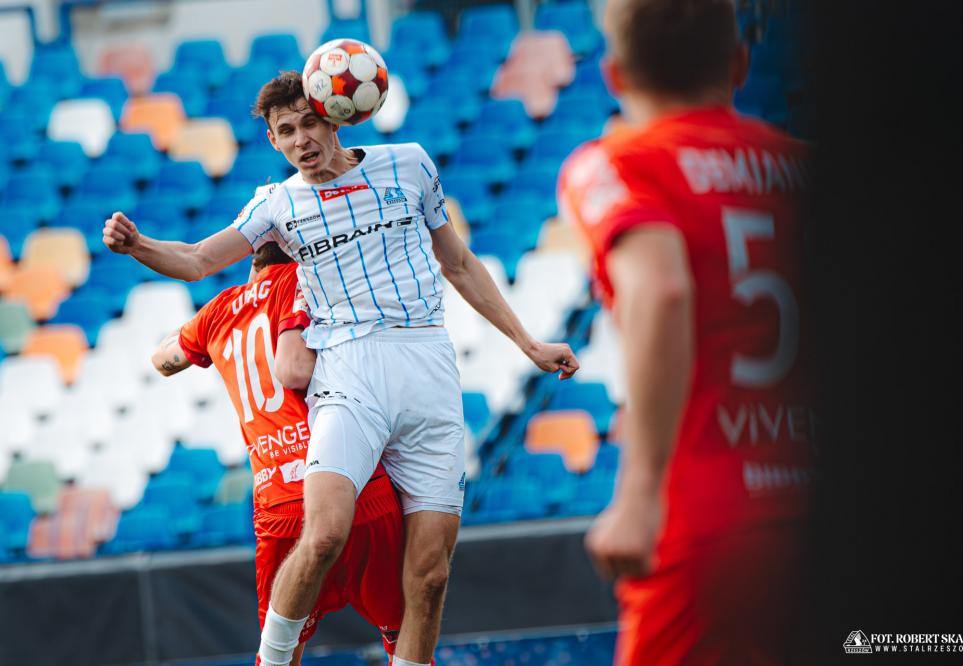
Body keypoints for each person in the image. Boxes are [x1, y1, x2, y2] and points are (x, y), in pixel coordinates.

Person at [105, 71, 580, 666]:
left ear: (334, 117)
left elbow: (457, 263)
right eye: (285, 132)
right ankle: (272, 662)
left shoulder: (408, 164)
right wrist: (139, 246)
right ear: (275, 143)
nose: (300, 139)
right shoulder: (277, 205)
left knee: (429, 579)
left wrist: (528, 343)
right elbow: (200, 259)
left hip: (429, 368)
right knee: (325, 533)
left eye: (308, 123)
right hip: (351, 372)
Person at [558, 0, 814, 663]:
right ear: (739, 62)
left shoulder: (619, 164)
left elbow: (663, 289)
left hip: (706, 514)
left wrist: (640, 495)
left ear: (615, 76)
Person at [150, 241, 406, 666]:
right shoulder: (311, 281)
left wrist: (206, 333)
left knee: (281, 654)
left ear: (252, 259)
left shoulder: (218, 311)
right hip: (357, 486)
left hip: (280, 502)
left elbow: (162, 360)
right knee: (406, 639)